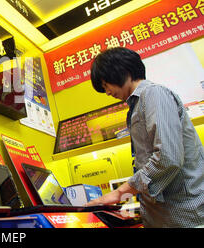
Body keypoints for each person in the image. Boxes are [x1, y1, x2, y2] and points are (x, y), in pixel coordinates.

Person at [86, 47, 204, 228]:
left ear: (121, 71)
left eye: (105, 85)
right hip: (165, 216)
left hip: (184, 216)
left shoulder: (154, 94)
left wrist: (119, 193)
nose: (107, 92)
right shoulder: (137, 104)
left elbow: (167, 157)